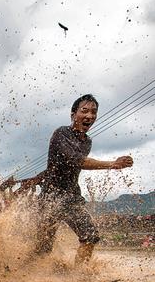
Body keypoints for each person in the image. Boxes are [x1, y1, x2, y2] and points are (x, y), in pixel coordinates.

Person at [34, 94, 133, 264]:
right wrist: (112, 164)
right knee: (43, 248)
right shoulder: (61, 133)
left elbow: (72, 165)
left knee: (90, 235)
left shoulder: (87, 141)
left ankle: (79, 278)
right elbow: (76, 160)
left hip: (72, 197)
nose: (89, 116)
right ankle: (27, 277)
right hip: (50, 198)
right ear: (73, 115)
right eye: (84, 111)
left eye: (94, 112)